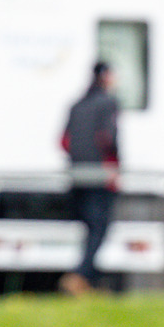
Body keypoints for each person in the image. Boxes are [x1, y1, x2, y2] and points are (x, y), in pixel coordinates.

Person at [59, 61, 120, 296]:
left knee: (89, 225)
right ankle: (81, 276)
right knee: (99, 227)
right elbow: (109, 139)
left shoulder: (77, 105)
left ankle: (87, 280)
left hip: (77, 174)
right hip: (99, 176)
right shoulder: (107, 103)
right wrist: (113, 167)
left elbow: (64, 140)